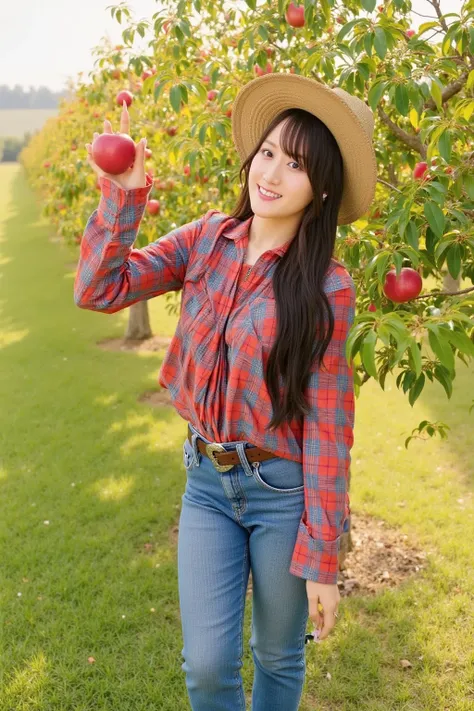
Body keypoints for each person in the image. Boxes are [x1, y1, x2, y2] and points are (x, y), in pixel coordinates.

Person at [77, 72, 377, 710]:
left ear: (320, 188)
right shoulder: (205, 240)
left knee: (277, 654)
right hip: (206, 483)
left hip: (282, 495)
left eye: (294, 164)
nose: (270, 173)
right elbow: (99, 291)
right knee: (208, 665)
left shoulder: (328, 287)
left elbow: (328, 425)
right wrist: (123, 197)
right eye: (267, 152)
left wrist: (325, 554)